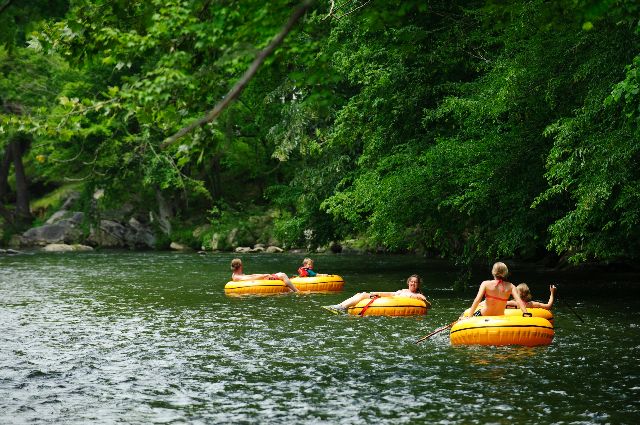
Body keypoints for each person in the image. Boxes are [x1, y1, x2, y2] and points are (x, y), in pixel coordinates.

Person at [322, 274, 429, 314]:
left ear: (418, 285)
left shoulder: (418, 295)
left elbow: (427, 304)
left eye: (415, 282)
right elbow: (391, 294)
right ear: (408, 282)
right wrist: (377, 293)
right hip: (390, 299)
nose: (413, 283)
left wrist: (419, 299)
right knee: (361, 293)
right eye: (411, 281)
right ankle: (340, 306)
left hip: (393, 303)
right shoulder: (402, 290)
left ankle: (341, 307)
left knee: (363, 295)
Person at [464, 262, 529, 317]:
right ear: (505, 273)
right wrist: (525, 313)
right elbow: (519, 301)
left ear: (493, 272)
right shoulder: (511, 286)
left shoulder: (485, 284)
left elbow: (477, 300)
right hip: (500, 317)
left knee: (461, 318)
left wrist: (469, 316)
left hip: (483, 315)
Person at [230, 258, 299, 293]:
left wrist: (263, 275)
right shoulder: (237, 277)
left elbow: (251, 276)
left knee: (280, 274)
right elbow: (250, 278)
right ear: (240, 266)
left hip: (262, 279)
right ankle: (297, 291)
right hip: (261, 281)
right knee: (282, 275)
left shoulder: (236, 274)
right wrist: (263, 276)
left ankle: (290, 290)